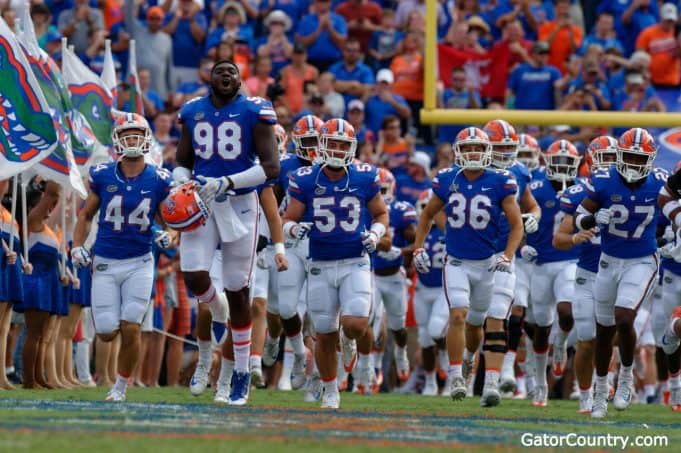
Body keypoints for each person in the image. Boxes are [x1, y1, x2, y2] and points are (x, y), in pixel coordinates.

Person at [172, 60, 280, 406]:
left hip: (240, 203)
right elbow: (183, 160)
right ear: (209, 77)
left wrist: (228, 182)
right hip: (203, 200)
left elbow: (271, 167)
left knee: (239, 291)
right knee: (193, 275)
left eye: (232, 71)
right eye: (220, 70)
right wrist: (181, 183)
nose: (226, 75)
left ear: (239, 80)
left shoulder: (254, 110)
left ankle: (242, 374)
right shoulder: (193, 111)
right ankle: (216, 311)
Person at [282, 118, 389, 409]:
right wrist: (293, 229)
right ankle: (331, 389)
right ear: (322, 145)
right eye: (333, 143)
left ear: (352, 148)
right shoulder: (305, 178)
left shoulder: (365, 176)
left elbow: (381, 214)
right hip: (320, 262)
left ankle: (349, 340)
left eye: (344, 144)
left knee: (355, 323)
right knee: (324, 331)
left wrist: (376, 234)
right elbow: (288, 218)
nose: (339, 150)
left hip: (355, 258)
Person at [412, 127, 523, 407]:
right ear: (458, 152)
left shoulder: (501, 180)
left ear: (487, 152)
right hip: (457, 261)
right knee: (458, 315)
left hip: (488, 263)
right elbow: (427, 213)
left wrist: (508, 254)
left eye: (478, 148)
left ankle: (480, 369)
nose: (473, 153)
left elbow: (516, 223)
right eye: (468, 148)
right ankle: (455, 377)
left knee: (479, 322)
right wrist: (418, 247)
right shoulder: (447, 178)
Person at [71, 113, 173, 401]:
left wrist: (170, 236)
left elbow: (170, 220)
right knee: (105, 332)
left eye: (136, 134)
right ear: (117, 139)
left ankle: (120, 387)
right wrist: (77, 245)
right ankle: (115, 376)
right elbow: (86, 214)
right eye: (126, 135)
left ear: (145, 139)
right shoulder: (102, 174)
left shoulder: (159, 179)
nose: (131, 140)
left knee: (132, 326)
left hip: (140, 261)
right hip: (105, 259)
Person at [575, 127, 665, 418]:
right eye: (629, 157)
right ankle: (601, 391)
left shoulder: (660, 184)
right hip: (608, 260)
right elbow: (578, 215)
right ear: (619, 156)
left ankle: (626, 376)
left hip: (642, 260)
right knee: (603, 332)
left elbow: (673, 210)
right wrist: (590, 218)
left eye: (640, 159)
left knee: (625, 318)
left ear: (650, 160)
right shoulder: (602, 179)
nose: (635, 165)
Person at [552, 136, 617, 414]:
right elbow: (559, 239)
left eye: (613, 157)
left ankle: (607, 384)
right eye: (603, 157)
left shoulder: (629, 190)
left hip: (617, 273)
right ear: (590, 160)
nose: (609, 164)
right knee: (587, 338)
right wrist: (578, 237)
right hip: (588, 273)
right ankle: (585, 395)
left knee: (609, 334)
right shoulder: (580, 192)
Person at [261, 115, 324, 394]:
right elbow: (269, 202)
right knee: (285, 309)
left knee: (320, 313)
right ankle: (298, 353)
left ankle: (320, 378)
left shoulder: (335, 168)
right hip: (292, 242)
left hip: (324, 246)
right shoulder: (285, 166)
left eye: (316, 141)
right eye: (307, 141)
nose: (312, 148)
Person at [483, 120, 541, 396]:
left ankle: (505, 369)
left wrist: (534, 218)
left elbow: (532, 205)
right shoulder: (470, 170)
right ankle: (469, 370)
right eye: (500, 148)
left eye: (509, 148)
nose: (505, 154)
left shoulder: (519, 171)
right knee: (471, 316)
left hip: (507, 252)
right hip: (474, 252)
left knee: (512, 309)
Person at [373, 168, 417, 385]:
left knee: (398, 327)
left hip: (394, 276)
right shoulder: (364, 208)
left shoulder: (401, 210)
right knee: (373, 321)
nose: (379, 195)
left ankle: (401, 353)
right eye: (376, 190)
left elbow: (417, 241)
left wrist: (400, 251)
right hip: (371, 275)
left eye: (383, 190)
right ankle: (374, 366)